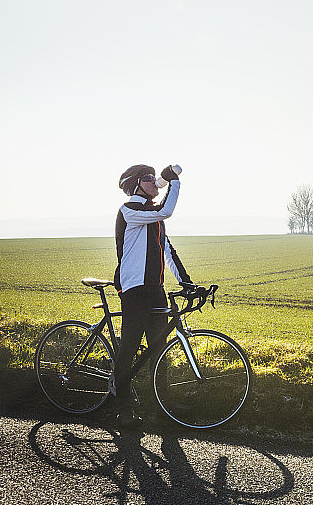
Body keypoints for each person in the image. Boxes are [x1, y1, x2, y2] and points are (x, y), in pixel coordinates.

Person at [112, 164, 192, 428]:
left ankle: (162, 405)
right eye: (147, 178)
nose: (153, 181)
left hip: (155, 289)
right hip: (134, 289)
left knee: (159, 349)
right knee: (130, 348)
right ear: (135, 185)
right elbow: (166, 210)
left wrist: (186, 282)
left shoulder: (152, 217)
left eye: (153, 177)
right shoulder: (130, 210)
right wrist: (173, 182)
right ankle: (123, 409)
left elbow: (167, 250)